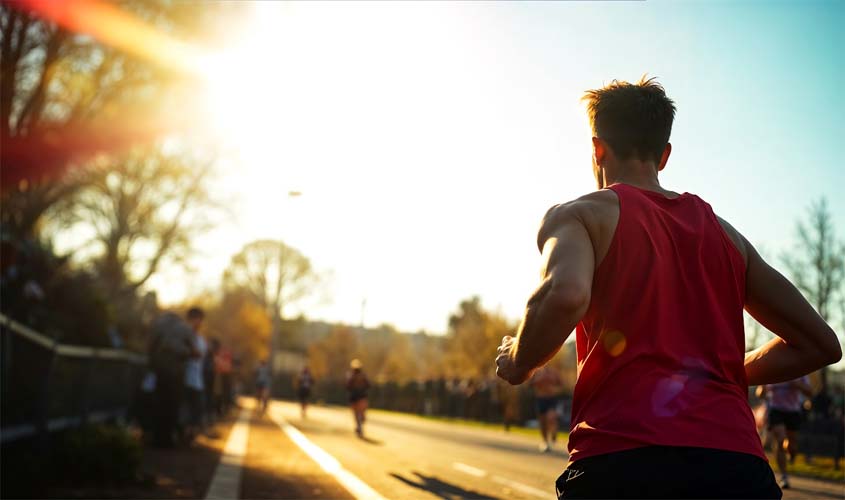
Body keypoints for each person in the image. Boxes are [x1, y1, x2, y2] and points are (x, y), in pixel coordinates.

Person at [494, 77, 841, 499]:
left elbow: (565, 295)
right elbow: (820, 344)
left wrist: (519, 359)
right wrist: (719, 374)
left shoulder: (581, 216)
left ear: (597, 148)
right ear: (665, 154)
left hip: (623, 461)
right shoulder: (726, 236)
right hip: (738, 470)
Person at [148, 308, 199, 447]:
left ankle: (156, 438)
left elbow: (150, 346)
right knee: (172, 405)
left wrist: (152, 362)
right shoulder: (185, 328)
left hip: (160, 370)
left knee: (159, 403)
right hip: (177, 372)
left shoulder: (158, 325)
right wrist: (186, 353)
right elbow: (195, 351)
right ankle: (168, 439)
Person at [757, 376, 813, 488]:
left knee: (792, 445)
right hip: (775, 410)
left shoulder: (799, 370)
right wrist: (763, 388)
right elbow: (760, 394)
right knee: (780, 440)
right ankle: (784, 476)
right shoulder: (772, 370)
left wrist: (797, 384)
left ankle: (791, 453)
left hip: (793, 411)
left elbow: (810, 392)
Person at [182, 307, 207, 441]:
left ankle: (191, 434)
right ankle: (185, 433)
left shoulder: (200, 339)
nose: (200, 323)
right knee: (186, 408)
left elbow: (199, 354)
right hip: (184, 379)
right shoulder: (184, 335)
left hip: (197, 380)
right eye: (198, 319)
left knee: (196, 409)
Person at [531, 365, 564, 452]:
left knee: (551, 418)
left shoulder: (554, 372)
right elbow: (531, 384)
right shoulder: (537, 372)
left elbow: (561, 384)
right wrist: (539, 379)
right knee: (542, 421)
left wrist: (554, 390)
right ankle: (545, 442)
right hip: (540, 399)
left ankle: (553, 436)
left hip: (551, 399)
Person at [346, 359, 370, 437]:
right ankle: (359, 426)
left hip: (357, 396)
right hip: (359, 396)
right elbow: (368, 385)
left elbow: (347, 386)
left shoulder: (352, 376)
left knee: (357, 414)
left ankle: (359, 425)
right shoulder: (361, 375)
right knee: (358, 413)